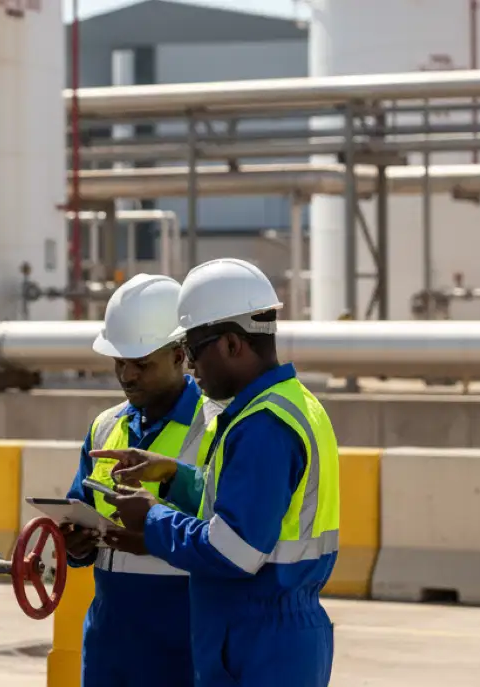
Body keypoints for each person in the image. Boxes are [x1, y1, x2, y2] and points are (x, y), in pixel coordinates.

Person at [96, 258, 340, 687]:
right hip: (268, 631)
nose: (190, 367)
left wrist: (152, 518)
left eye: (192, 351)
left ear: (230, 344)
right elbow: (246, 505)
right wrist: (173, 476)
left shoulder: (263, 425)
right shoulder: (290, 404)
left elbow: (235, 550)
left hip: (260, 641)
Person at [63, 273, 218, 687]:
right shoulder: (105, 426)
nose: (127, 376)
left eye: (142, 364)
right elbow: (79, 508)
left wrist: (154, 529)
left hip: (185, 643)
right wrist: (74, 545)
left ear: (179, 355)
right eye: (119, 362)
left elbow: (231, 531)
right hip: (110, 643)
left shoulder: (217, 427)